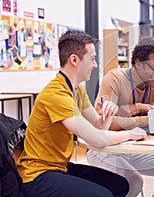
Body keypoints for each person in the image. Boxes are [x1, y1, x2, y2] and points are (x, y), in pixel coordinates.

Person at [17, 30, 146, 197]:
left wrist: (108, 115)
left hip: (61, 167)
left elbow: (97, 127)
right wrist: (129, 134)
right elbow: (96, 139)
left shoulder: (77, 89)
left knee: (120, 185)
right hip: (37, 175)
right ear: (74, 60)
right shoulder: (56, 94)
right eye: (92, 59)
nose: (95, 65)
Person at [86, 37, 154, 196]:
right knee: (134, 181)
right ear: (138, 62)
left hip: (137, 148)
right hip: (105, 148)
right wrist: (149, 117)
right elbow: (104, 124)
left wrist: (141, 108)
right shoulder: (115, 78)